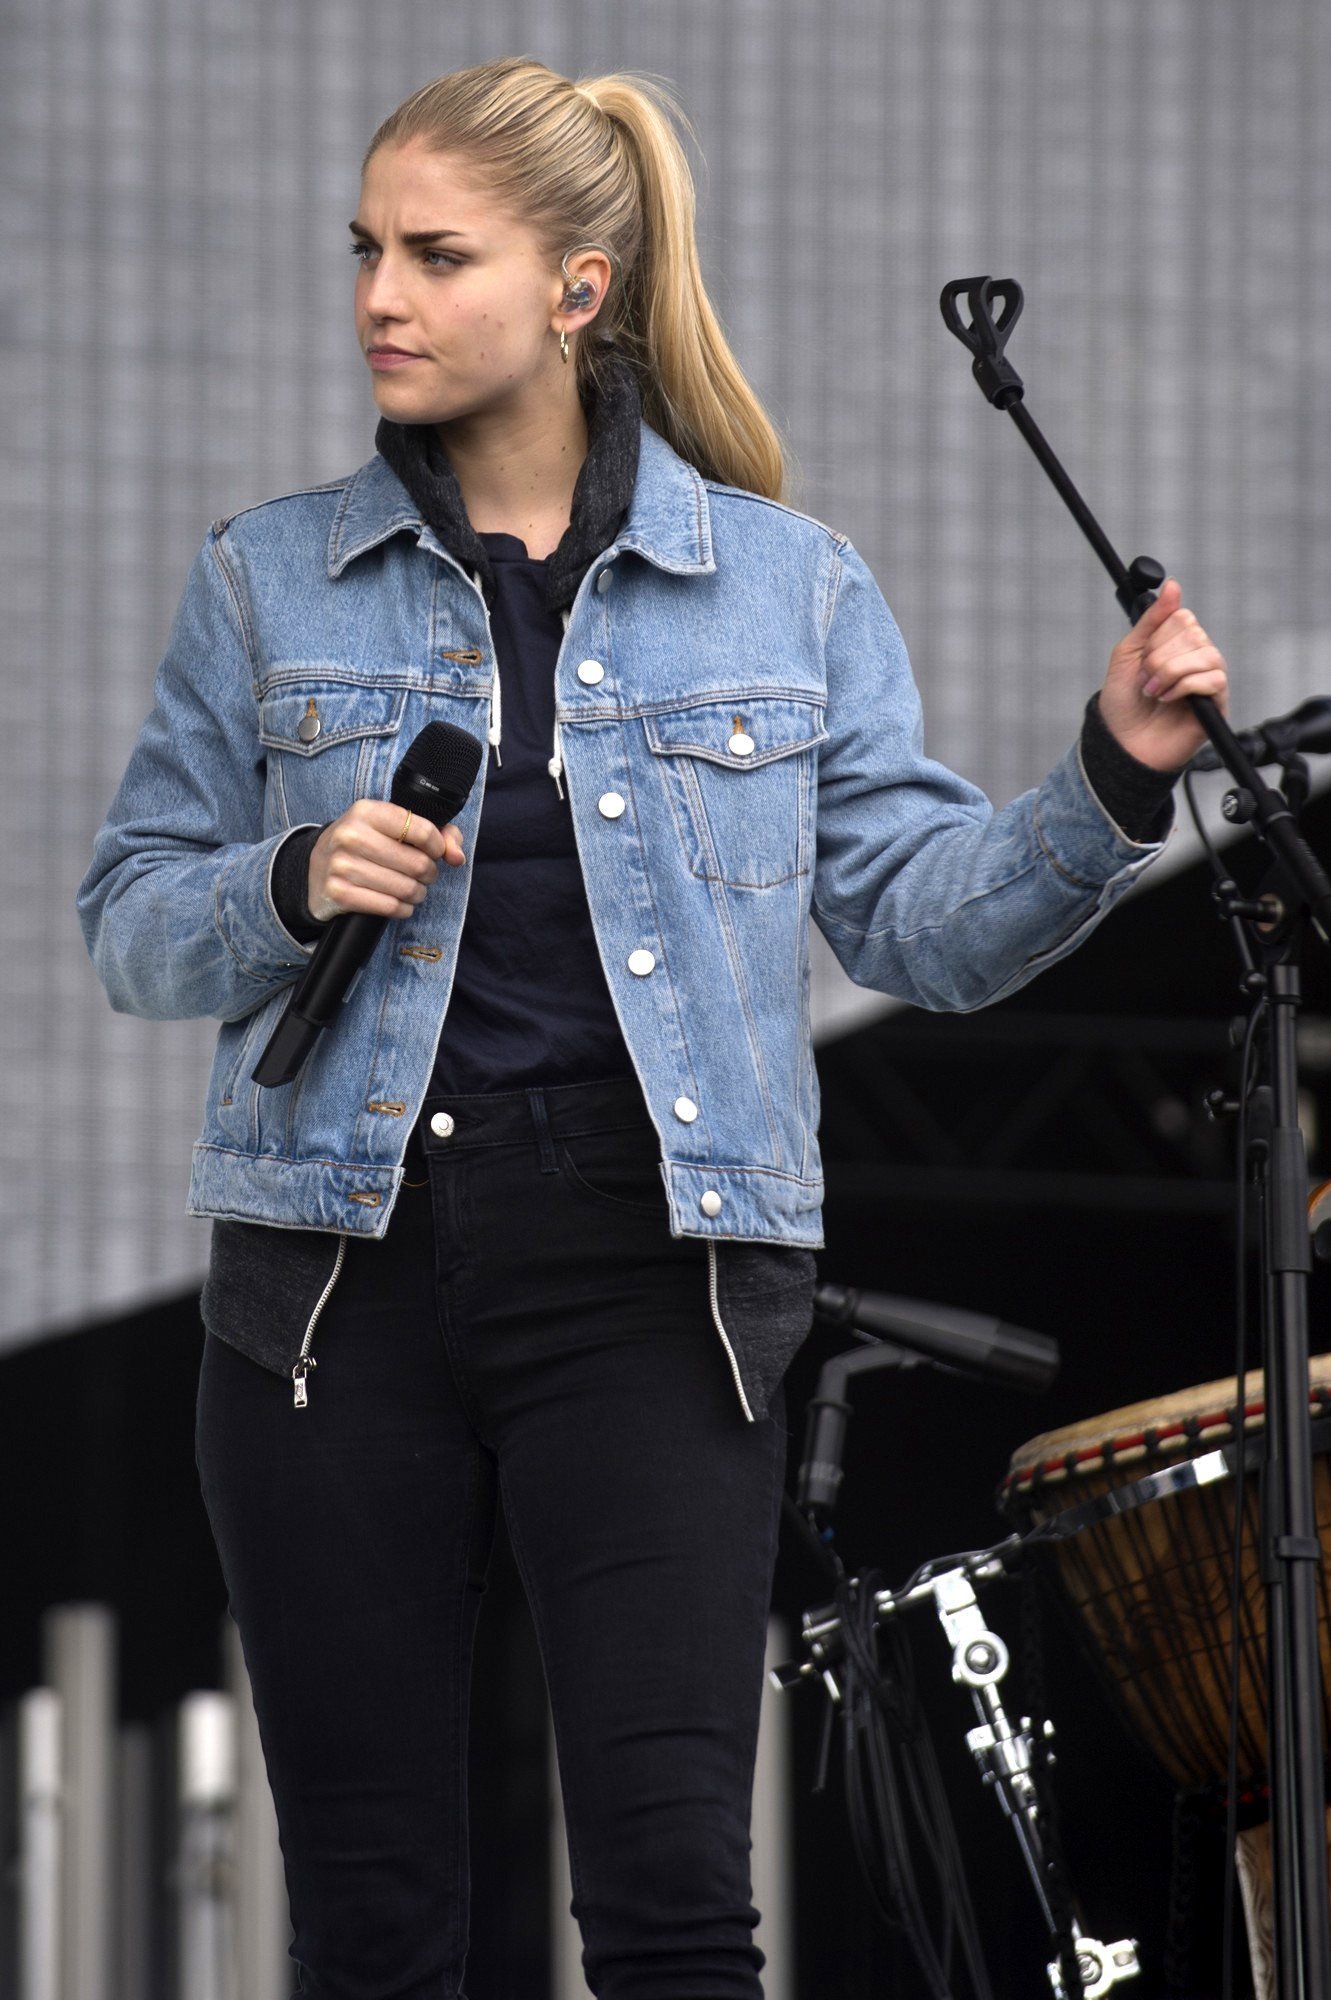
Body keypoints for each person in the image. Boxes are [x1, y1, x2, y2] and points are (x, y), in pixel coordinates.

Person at [75, 55, 1228, 2000]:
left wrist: (1107, 775)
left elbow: (922, 926)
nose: (380, 291)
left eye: (438, 253)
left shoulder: (785, 587)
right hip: (330, 1295)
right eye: (368, 248)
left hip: (655, 1282)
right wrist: (284, 881)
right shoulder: (265, 576)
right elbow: (129, 927)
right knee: (375, 1923)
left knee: (680, 1912)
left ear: (581, 289)